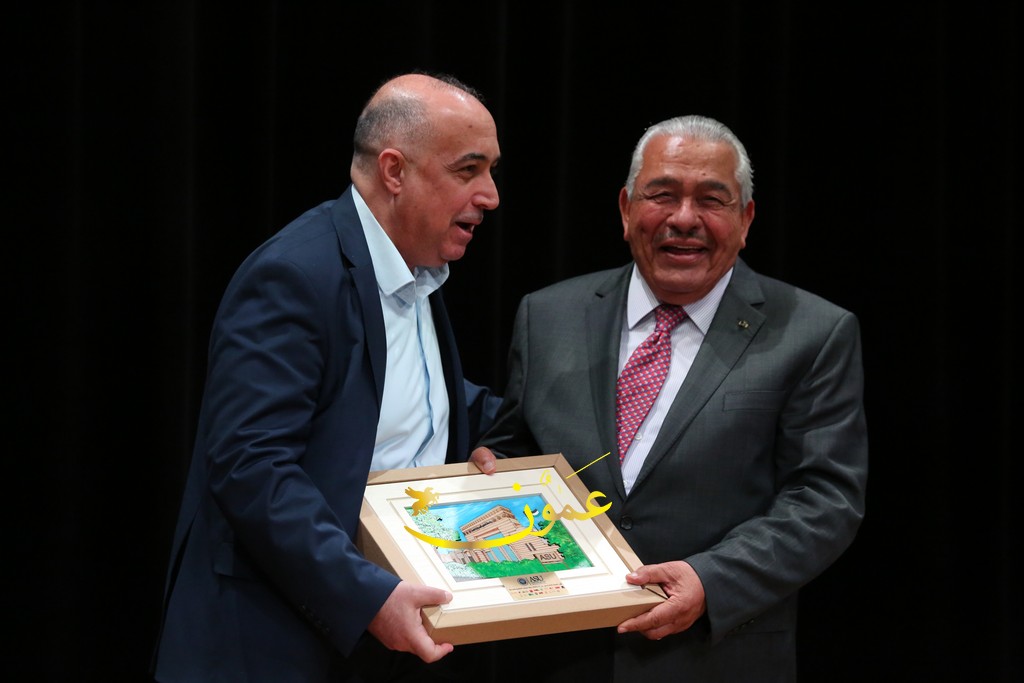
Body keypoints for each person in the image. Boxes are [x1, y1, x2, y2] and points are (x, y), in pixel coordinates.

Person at [473, 114, 868, 682]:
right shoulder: (548, 315)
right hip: (555, 652)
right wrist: (489, 475)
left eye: (711, 199)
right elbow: (516, 448)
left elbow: (824, 498)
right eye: (662, 195)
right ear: (626, 209)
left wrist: (711, 580)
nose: (684, 218)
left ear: (746, 219)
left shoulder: (814, 333)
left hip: (713, 655)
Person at [152, 72, 503, 683]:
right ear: (394, 171)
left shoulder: (416, 273)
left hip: (374, 638)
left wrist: (503, 434)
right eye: (468, 170)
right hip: (269, 646)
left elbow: (401, 401)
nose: (491, 195)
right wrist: (366, 595)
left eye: (492, 171)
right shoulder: (294, 275)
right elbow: (251, 467)